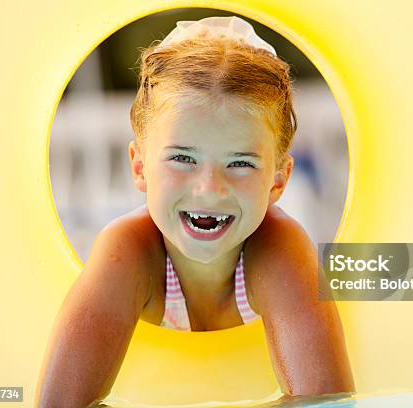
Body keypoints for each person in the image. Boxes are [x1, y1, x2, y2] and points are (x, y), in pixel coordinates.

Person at [36, 16, 355, 407]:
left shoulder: (279, 252)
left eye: (240, 163)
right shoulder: (129, 254)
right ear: (139, 167)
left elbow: (327, 403)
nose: (209, 188)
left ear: (277, 180)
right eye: (183, 158)